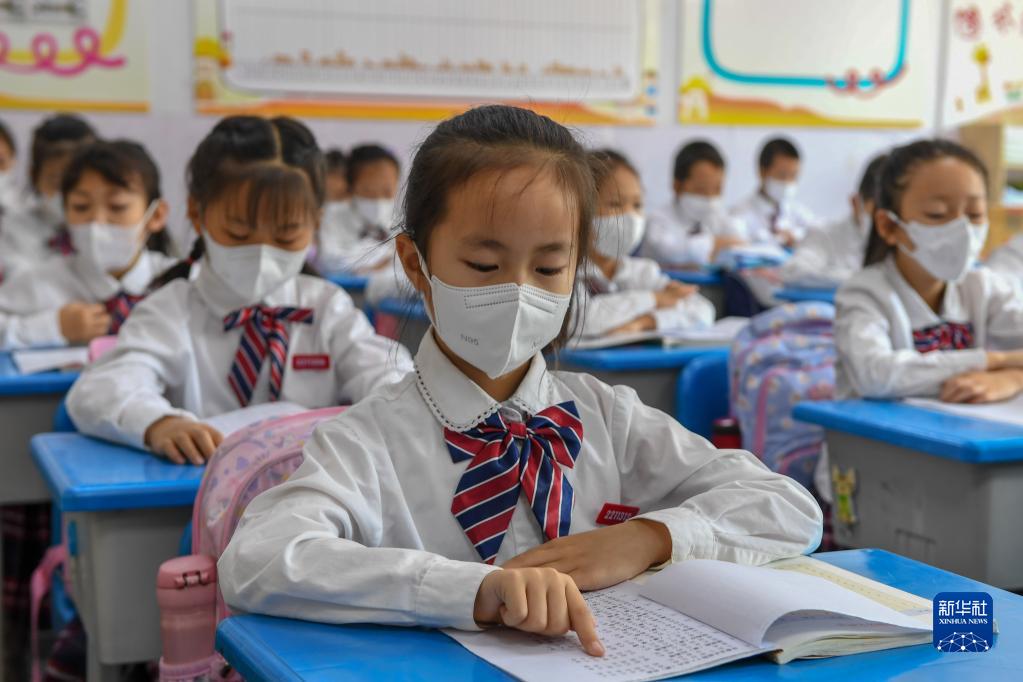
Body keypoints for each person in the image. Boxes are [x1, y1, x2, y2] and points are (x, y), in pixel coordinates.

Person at [218, 105, 823, 655]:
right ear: (415, 264)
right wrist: (472, 590)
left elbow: (788, 507)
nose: (518, 290)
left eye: (550, 266)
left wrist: (647, 538)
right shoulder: (367, 441)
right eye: (484, 264)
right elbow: (258, 558)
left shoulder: (606, 416)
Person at [66, 116, 413, 464]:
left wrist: (393, 406)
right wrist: (159, 423)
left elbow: (389, 374)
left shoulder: (327, 308)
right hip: (195, 490)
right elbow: (102, 387)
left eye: (286, 236)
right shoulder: (169, 310)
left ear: (315, 223)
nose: (261, 254)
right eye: (238, 234)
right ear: (198, 214)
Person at [836, 139, 1023, 403]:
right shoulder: (864, 293)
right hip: (871, 429)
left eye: (974, 213)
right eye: (937, 214)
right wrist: (995, 361)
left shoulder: (983, 286)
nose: (962, 230)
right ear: (889, 226)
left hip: (954, 425)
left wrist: (1012, 378)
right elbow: (875, 374)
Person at [0, 140, 176, 350]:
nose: (97, 222)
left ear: (156, 215)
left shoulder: (179, 282)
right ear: (65, 213)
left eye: (117, 207)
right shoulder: (41, 281)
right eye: (81, 207)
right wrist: (52, 327)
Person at [576, 149, 713, 339]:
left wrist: (644, 322)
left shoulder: (642, 272)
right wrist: (654, 299)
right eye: (615, 204)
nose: (630, 216)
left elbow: (702, 310)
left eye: (637, 205)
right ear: (581, 209)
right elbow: (579, 320)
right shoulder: (569, 272)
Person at [0, 114, 97, 272]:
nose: (68, 196)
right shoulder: (11, 230)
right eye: (56, 183)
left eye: (78, 184)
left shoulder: (111, 229)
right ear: (34, 176)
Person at [780, 154, 888, 287]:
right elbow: (794, 272)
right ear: (855, 203)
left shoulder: (900, 245)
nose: (883, 224)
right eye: (875, 214)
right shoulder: (824, 235)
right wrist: (860, 279)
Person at [640, 140, 745, 267]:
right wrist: (714, 244)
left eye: (717, 190)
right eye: (701, 190)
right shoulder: (657, 221)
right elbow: (669, 252)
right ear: (677, 186)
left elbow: (740, 244)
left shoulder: (718, 217)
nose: (710, 199)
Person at [315, 143, 400, 273]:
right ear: (350, 188)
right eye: (368, 192)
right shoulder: (332, 218)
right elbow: (330, 261)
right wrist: (380, 262)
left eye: (387, 192)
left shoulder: (401, 222)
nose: (378, 200)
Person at [730, 137, 822, 249]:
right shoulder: (739, 214)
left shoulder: (796, 210)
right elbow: (738, 246)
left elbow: (821, 232)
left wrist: (796, 236)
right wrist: (778, 240)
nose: (788, 182)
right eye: (782, 175)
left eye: (793, 176)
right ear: (762, 172)